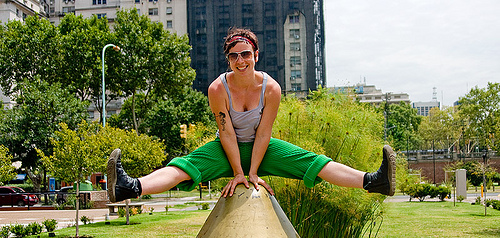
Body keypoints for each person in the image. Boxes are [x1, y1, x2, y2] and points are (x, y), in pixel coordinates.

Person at [107, 27, 396, 203]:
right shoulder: (218, 88)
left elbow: (264, 133)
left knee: (315, 163)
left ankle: (374, 182)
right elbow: (226, 132)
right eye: (234, 56)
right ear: (228, 59)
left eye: (245, 54)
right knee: (184, 166)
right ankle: (129, 187)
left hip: (264, 149)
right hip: (226, 150)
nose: (240, 60)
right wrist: (238, 173)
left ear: (256, 55)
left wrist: (253, 173)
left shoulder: (271, 88)